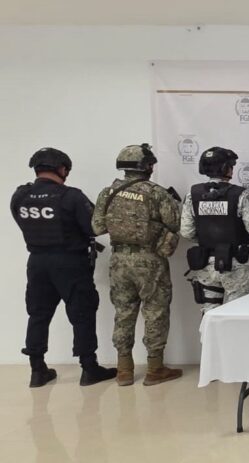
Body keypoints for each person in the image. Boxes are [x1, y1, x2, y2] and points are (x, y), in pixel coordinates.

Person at [11, 148, 117, 388]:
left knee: (38, 314)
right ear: (62, 169)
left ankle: (37, 370)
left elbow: (22, 222)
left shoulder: (20, 195)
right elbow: (95, 227)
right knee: (82, 313)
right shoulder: (71, 197)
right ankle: (89, 368)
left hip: (37, 262)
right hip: (70, 262)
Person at [92, 144, 182, 386]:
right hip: (150, 261)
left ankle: (124, 371)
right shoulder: (156, 193)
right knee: (155, 312)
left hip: (119, 261)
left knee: (123, 313)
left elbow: (97, 227)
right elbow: (175, 223)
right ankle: (155, 369)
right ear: (147, 167)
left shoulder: (107, 193)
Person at [180, 147, 249, 312]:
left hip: (205, 264)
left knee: (209, 313)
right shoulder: (240, 195)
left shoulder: (192, 195)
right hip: (235, 264)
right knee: (237, 314)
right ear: (226, 168)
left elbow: (186, 232)